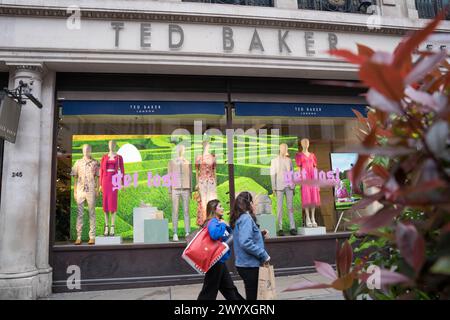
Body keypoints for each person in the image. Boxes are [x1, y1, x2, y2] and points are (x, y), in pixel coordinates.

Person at [197, 199, 244, 300]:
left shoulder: (218, 222)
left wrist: (226, 226)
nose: (223, 208)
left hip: (218, 260)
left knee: (229, 289)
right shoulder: (213, 222)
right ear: (214, 209)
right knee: (209, 291)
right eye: (220, 206)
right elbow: (214, 234)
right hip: (215, 261)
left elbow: (230, 236)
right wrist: (223, 224)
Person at [230, 192, 270, 300]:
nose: (255, 205)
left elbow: (243, 236)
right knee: (253, 296)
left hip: (244, 264)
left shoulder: (240, 218)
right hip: (249, 265)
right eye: (253, 202)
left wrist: (260, 234)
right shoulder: (246, 218)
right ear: (250, 203)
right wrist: (263, 255)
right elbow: (245, 242)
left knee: (252, 294)